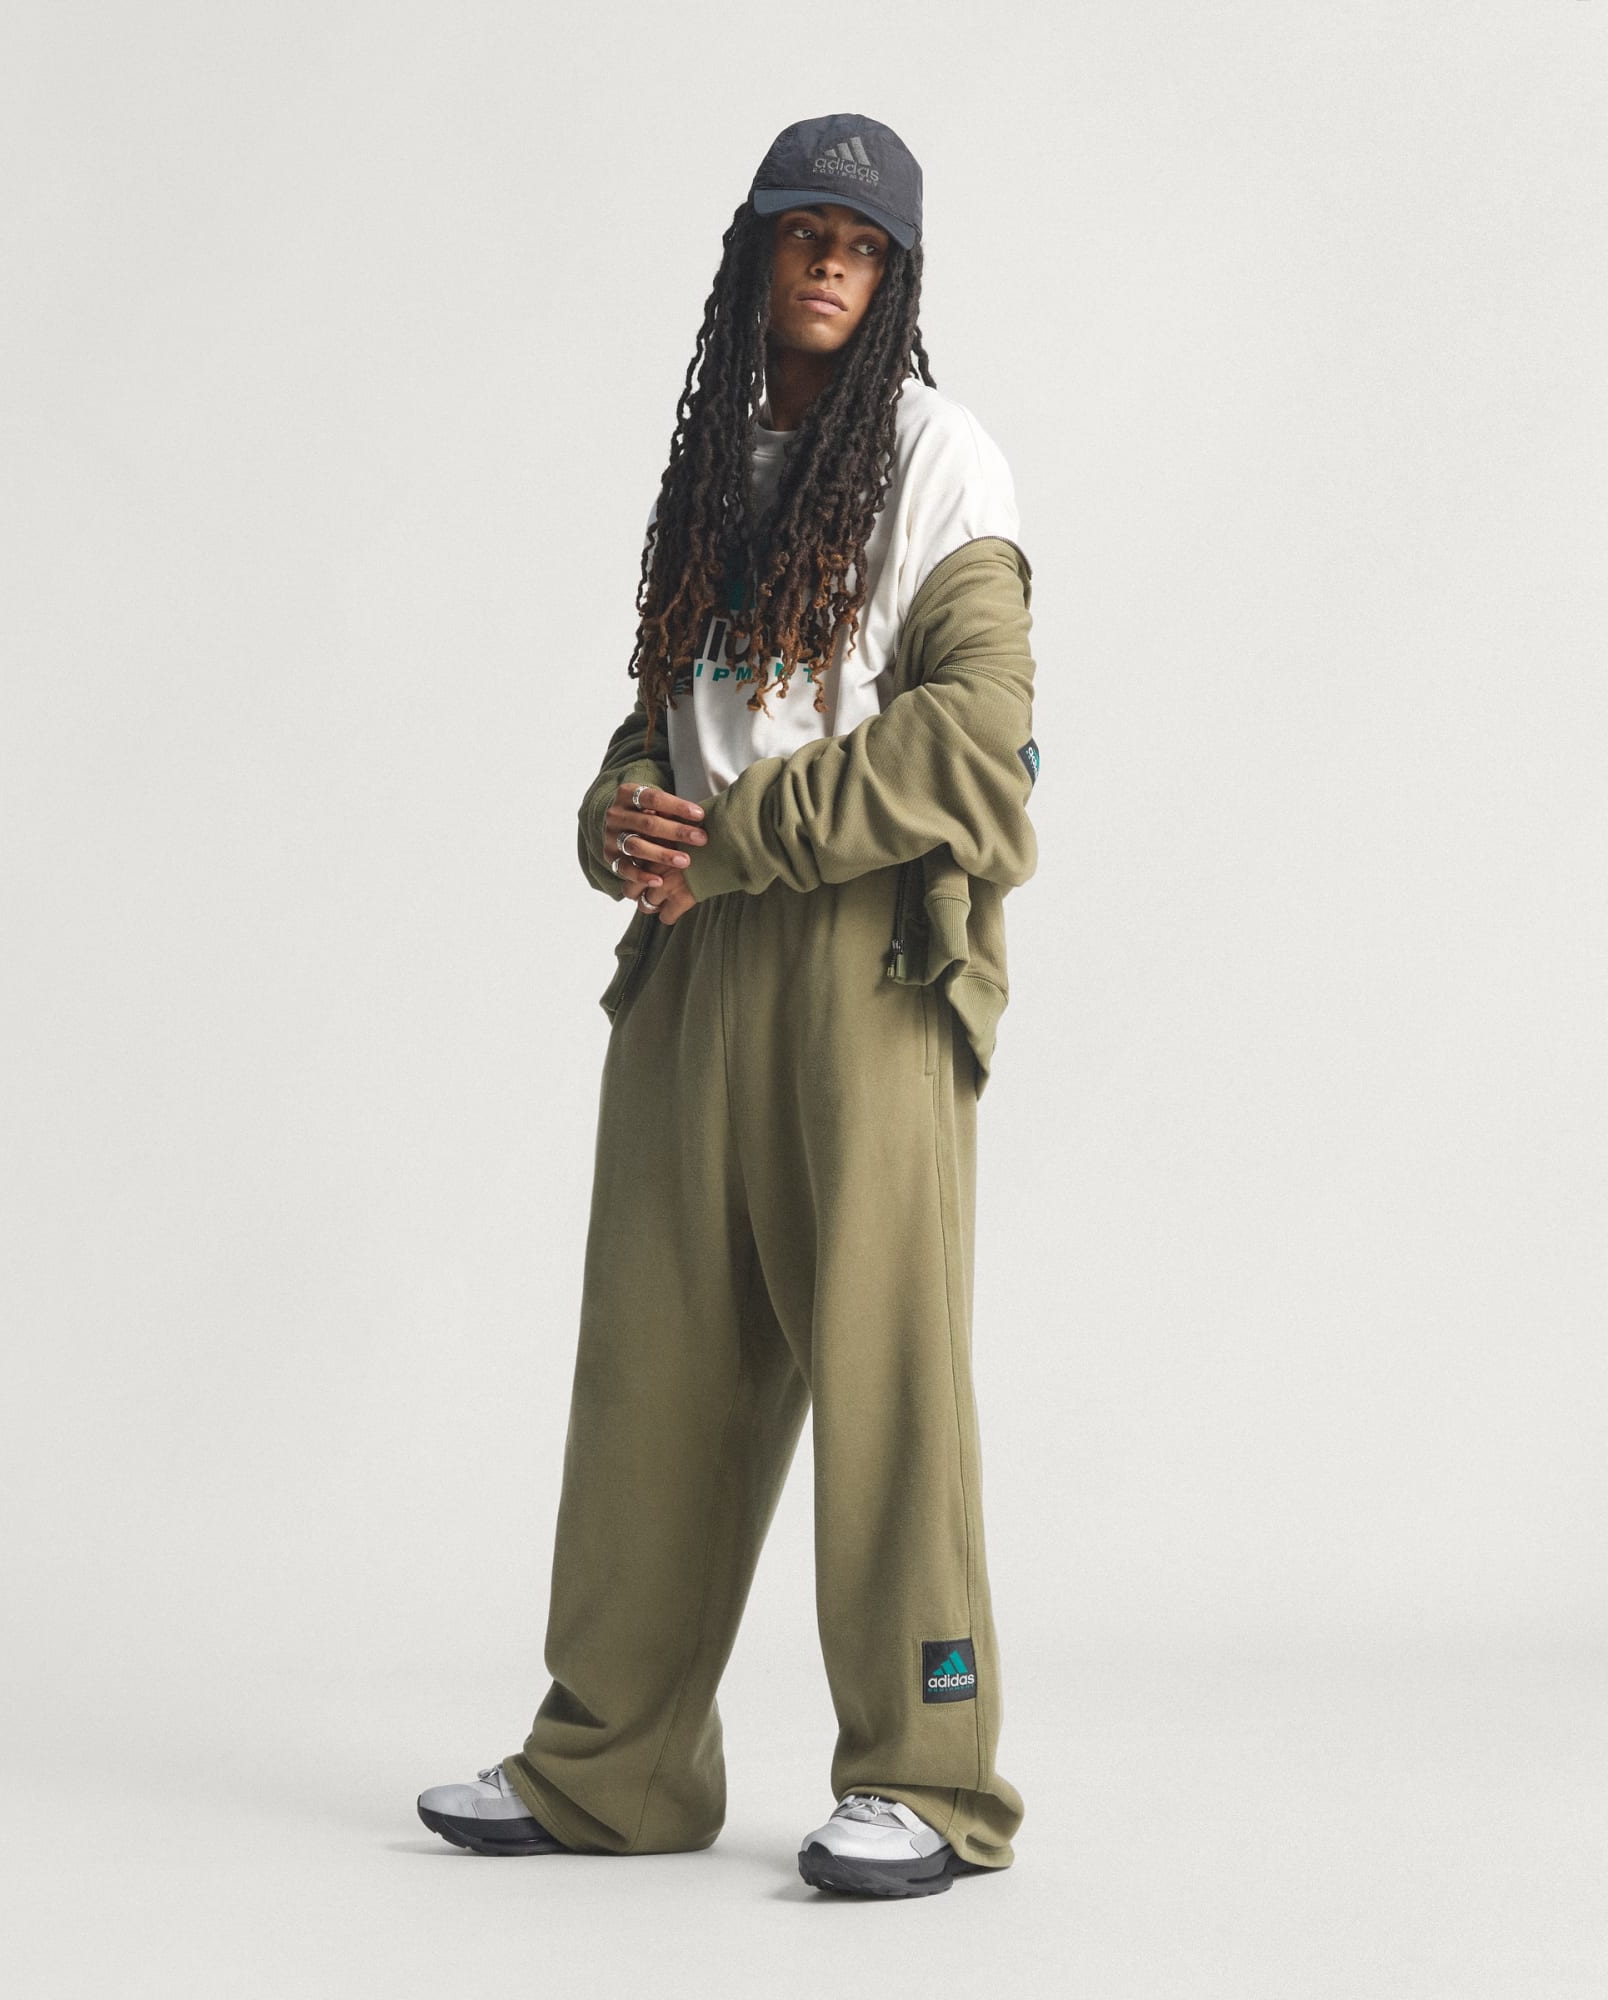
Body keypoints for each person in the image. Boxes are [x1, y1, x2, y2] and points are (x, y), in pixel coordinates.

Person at [417, 112, 1043, 1900]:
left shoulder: (940, 460)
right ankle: (613, 1767)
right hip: (694, 954)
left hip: (861, 957)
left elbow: (975, 747)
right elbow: (668, 719)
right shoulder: (719, 460)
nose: (830, 262)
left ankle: (928, 1778)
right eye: (803, 232)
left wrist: (743, 834)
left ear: (896, 276)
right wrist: (619, 808)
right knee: (655, 1363)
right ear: (756, 253)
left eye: (863, 243)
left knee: (885, 1369)